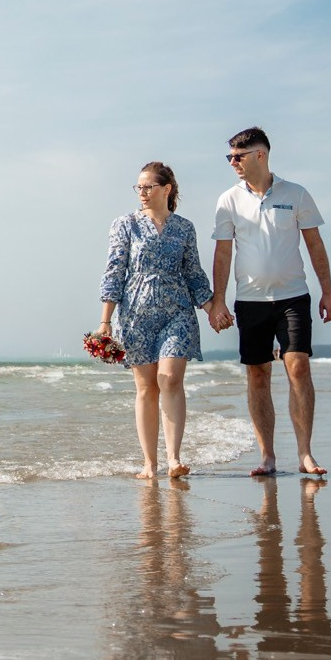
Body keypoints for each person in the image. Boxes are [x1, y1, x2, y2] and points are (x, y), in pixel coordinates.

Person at [204, 127, 331, 477]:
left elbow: (315, 245)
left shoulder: (296, 194)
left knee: (298, 366)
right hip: (250, 301)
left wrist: (328, 290)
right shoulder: (228, 200)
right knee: (258, 374)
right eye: (229, 156)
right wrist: (219, 301)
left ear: (260, 155)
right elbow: (222, 253)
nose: (233, 162)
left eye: (238, 156)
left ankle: (305, 453)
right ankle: (268, 456)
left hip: (293, 296)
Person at [99, 161, 213, 479]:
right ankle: (150, 463)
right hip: (135, 316)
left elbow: (193, 273)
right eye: (139, 187)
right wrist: (105, 322)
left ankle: (174, 458)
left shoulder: (185, 228)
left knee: (170, 379)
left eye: (149, 187)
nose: (143, 193)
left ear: (166, 189)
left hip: (177, 314)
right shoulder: (125, 225)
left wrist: (211, 307)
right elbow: (114, 272)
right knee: (147, 389)